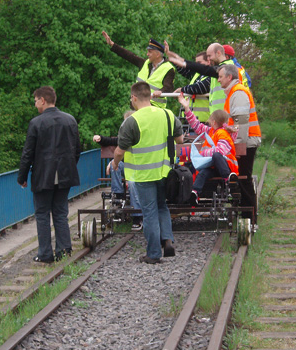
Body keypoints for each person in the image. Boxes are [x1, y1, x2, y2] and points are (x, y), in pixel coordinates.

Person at [112, 81, 184, 264]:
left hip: (144, 175)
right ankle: (167, 241)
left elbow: (120, 151)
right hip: (165, 172)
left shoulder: (132, 121)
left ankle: (153, 253)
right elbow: (180, 139)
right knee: (162, 206)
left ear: (134, 98)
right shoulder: (168, 115)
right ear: (151, 96)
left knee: (150, 212)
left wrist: (114, 164)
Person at [18, 86, 82, 263]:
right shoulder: (70, 120)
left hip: (43, 176)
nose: (35, 104)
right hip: (64, 175)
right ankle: (64, 250)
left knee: (42, 214)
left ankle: (45, 253)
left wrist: (22, 177)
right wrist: (68, 167)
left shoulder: (36, 123)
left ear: (43, 100)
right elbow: (77, 149)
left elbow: (28, 153)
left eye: (36, 101)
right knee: (61, 212)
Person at [217, 64, 261, 223]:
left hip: (246, 143)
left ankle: (249, 217)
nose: (218, 80)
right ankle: (246, 215)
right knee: (241, 179)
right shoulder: (234, 93)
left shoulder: (238, 93)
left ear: (229, 77)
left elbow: (241, 122)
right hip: (244, 141)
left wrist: (239, 147)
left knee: (243, 179)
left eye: (221, 77)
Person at [177, 93, 239, 205]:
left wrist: (202, 153)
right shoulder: (211, 131)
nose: (208, 121)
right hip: (213, 167)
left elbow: (219, 152)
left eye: (210, 119)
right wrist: (186, 108)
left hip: (226, 166)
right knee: (203, 173)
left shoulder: (223, 134)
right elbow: (195, 125)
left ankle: (228, 181)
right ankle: (194, 193)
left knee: (216, 155)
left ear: (214, 122)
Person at [93, 111, 143, 231]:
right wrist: (100, 139)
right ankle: (118, 195)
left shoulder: (141, 139)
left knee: (131, 183)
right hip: (128, 168)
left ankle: (137, 216)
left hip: (139, 170)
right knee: (116, 165)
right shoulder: (124, 138)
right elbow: (111, 141)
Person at [102, 31, 175, 108]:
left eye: (150, 52)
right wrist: (112, 44)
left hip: (154, 108)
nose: (147, 54)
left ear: (157, 54)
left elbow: (168, 87)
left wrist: (161, 92)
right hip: (137, 106)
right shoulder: (146, 63)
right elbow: (129, 56)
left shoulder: (168, 69)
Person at [165, 42, 239, 114]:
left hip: (225, 114)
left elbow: (205, 72)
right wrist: (175, 58)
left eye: (210, 56)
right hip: (219, 115)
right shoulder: (220, 68)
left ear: (218, 53)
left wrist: (185, 63)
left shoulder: (226, 67)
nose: (209, 59)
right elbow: (188, 72)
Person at [173, 51, 211, 123]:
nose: (197, 66)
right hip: (190, 120)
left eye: (199, 63)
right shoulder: (197, 74)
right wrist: (173, 59)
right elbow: (183, 70)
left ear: (208, 62)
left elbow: (199, 88)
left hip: (204, 121)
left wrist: (182, 89)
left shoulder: (212, 77)